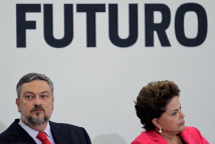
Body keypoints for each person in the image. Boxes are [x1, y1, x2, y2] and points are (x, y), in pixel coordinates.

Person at [0, 73, 91, 144]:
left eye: (44, 96)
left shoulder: (78, 135)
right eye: (29, 96)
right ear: (18, 104)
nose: (38, 102)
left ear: (52, 101)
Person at [131, 80, 209, 144]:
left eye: (180, 109)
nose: (182, 115)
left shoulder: (194, 133)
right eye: (174, 113)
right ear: (157, 122)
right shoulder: (142, 143)